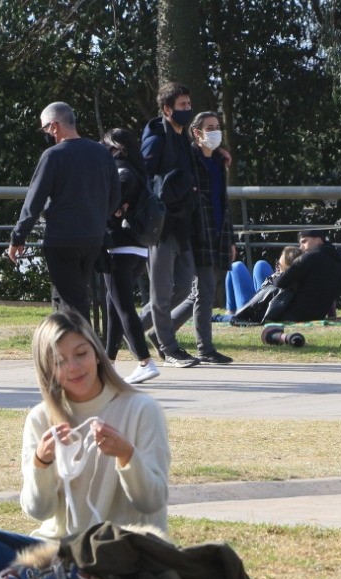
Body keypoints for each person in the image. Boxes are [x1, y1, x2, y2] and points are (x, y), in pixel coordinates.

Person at [0, 310, 171, 579]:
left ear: (97, 354)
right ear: (47, 370)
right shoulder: (41, 418)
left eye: (81, 354)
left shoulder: (141, 409)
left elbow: (151, 502)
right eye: (58, 361)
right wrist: (41, 462)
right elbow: (38, 511)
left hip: (121, 555)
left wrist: (126, 455)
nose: (73, 367)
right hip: (60, 554)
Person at [8, 102, 120, 321]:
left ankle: (82, 340)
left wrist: (18, 237)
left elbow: (34, 201)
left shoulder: (53, 155)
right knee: (71, 296)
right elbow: (115, 196)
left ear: (54, 126)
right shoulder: (102, 153)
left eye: (45, 129)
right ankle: (66, 340)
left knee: (71, 303)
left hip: (62, 239)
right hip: (93, 238)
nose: (46, 134)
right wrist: (98, 217)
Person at [138, 82, 202, 368]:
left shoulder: (183, 138)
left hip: (181, 224)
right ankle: (170, 348)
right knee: (162, 292)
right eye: (182, 105)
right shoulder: (156, 138)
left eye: (189, 104)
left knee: (185, 285)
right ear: (167, 109)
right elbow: (144, 176)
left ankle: (133, 327)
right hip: (161, 226)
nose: (188, 109)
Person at [169, 110, 234, 364]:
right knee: (203, 292)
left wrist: (230, 240)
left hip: (217, 234)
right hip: (197, 234)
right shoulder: (189, 158)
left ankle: (160, 331)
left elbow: (223, 203)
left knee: (200, 293)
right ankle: (205, 349)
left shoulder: (218, 161)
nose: (215, 132)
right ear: (196, 132)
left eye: (217, 127)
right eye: (209, 128)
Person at [101, 128, 160, 385]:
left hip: (120, 248)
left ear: (116, 148)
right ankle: (108, 363)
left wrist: (110, 209)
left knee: (124, 307)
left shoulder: (122, 174)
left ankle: (145, 362)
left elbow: (107, 207)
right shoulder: (137, 172)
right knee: (114, 306)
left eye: (105, 147)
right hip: (137, 249)